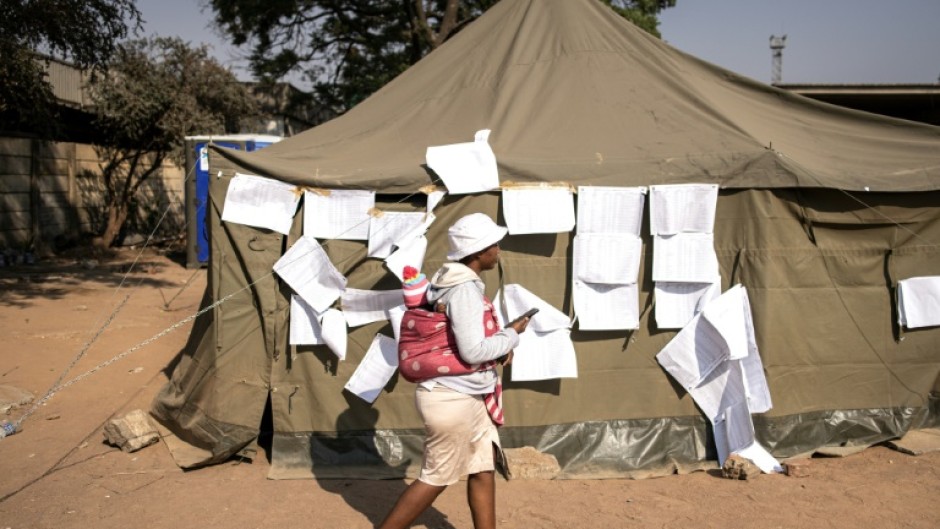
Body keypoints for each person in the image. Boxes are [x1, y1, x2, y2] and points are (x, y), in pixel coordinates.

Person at [379, 213, 531, 529]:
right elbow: (472, 351)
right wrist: (512, 334)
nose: (498, 250)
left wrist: (501, 345)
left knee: (482, 467)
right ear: (478, 252)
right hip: (453, 397)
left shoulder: (447, 281)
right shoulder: (464, 290)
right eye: (493, 245)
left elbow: (460, 340)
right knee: (435, 477)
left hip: (466, 395)